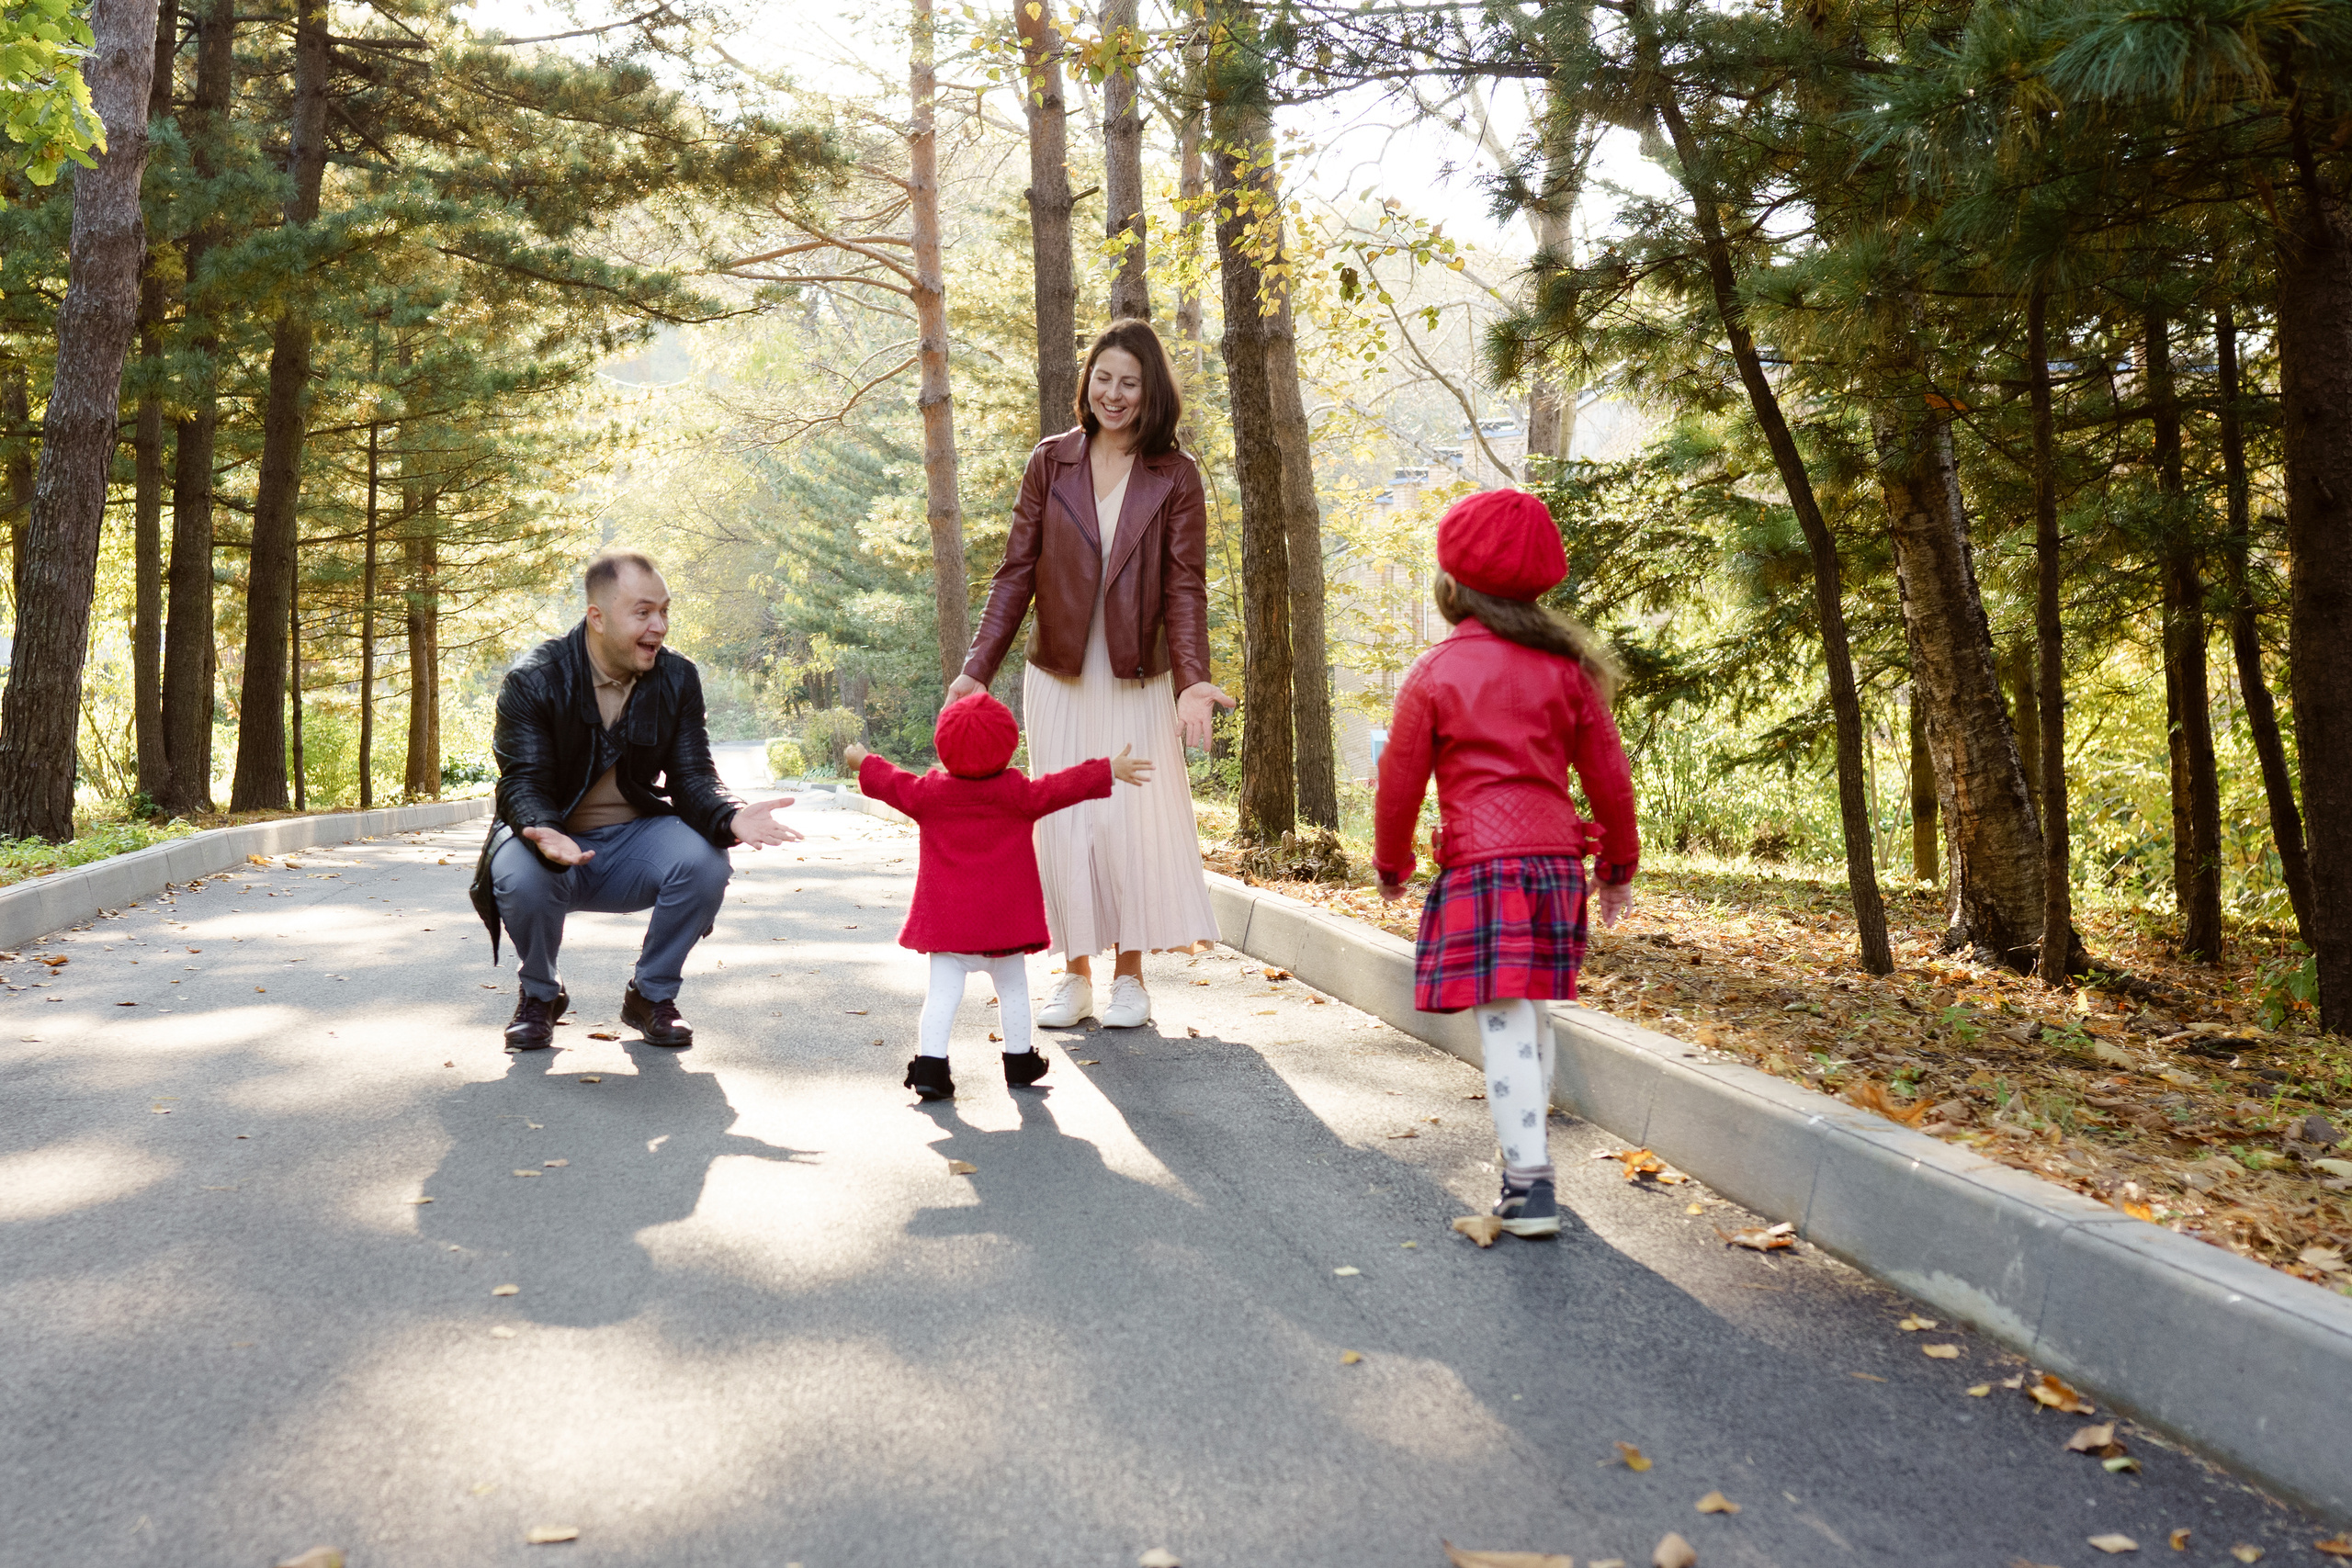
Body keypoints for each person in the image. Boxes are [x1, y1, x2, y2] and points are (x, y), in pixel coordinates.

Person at [950, 319, 1233, 1031]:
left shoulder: (1176, 475)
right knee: (1067, 822)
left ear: (1150, 392)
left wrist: (1192, 679)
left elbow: (1185, 586)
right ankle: (1072, 972)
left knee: (1127, 821)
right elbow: (1015, 574)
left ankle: (1130, 976)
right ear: (1087, 383)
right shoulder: (1052, 462)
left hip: (1138, 679)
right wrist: (976, 669)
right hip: (1061, 678)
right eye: (1103, 378)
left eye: (1129, 382)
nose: (1113, 393)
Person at [1372, 490, 1640, 1239]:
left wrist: (1391, 863)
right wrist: (1617, 863)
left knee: (1504, 1018)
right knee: (1529, 1008)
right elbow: (1609, 775)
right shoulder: (1566, 669)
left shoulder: (1436, 672)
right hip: (1554, 864)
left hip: (1485, 866)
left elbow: (1399, 781)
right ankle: (1528, 1163)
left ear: (1451, 586)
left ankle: (1528, 1185)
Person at [468, 548, 801, 1051]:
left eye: (664, 610)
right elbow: (523, 779)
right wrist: (543, 827)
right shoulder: (535, 679)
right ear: (596, 618)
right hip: (552, 844)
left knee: (707, 861)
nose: (659, 626)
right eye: (643, 612)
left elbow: (692, 775)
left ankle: (651, 995)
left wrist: (729, 816)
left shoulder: (677, 678)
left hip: (633, 844)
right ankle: (539, 994)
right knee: (516, 873)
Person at [846, 692, 1154, 1102]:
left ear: (943, 743)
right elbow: (1060, 787)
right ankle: (1019, 1063)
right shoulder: (1016, 793)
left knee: (941, 996)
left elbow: (890, 781)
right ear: (1008, 745)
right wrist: (1108, 770)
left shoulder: (927, 793)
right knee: (1012, 993)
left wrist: (862, 760)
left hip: (947, 930)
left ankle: (931, 1069)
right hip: (1002, 928)